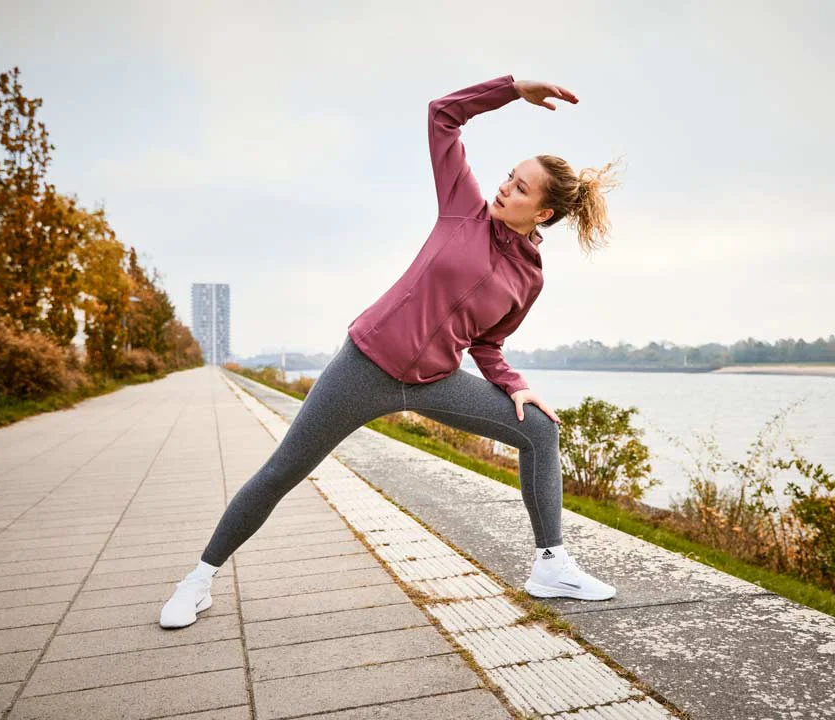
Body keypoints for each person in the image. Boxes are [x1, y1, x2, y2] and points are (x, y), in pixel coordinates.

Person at [160, 74, 623, 629]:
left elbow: (488, 343)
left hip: (433, 381)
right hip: (364, 366)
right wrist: (512, 88)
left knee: (541, 429)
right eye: (509, 177)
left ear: (543, 214)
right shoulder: (462, 209)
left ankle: (551, 565)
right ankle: (199, 579)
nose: (505, 188)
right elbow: (442, 115)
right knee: (283, 470)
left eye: (521, 189)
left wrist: (513, 383)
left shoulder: (530, 277)